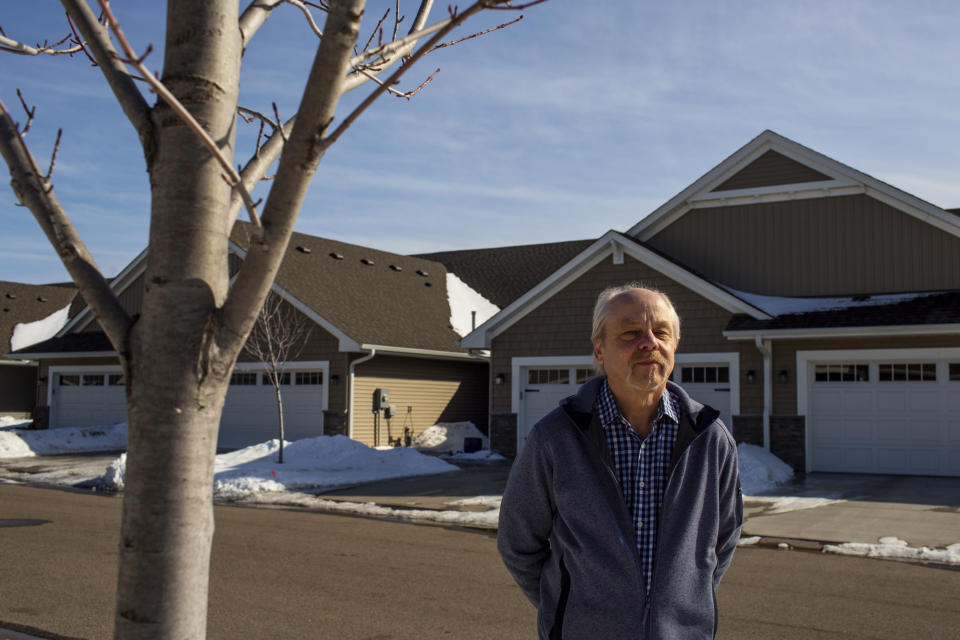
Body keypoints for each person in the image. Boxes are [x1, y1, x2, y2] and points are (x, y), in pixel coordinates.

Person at [497, 284, 742, 639]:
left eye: (661, 333)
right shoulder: (555, 438)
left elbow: (722, 541)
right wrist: (570, 608)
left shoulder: (711, 439)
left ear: (673, 346)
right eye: (630, 333)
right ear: (599, 350)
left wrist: (681, 603)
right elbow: (517, 542)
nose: (649, 342)